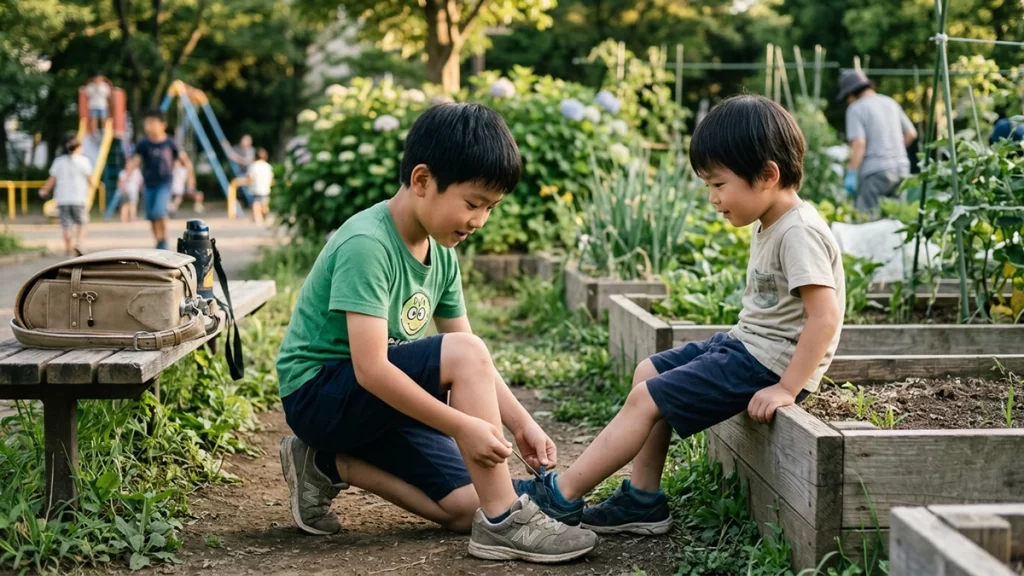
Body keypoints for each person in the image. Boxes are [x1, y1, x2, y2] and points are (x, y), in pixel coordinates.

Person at [275, 103, 598, 563]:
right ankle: (504, 521)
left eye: (491, 208)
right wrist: (461, 426)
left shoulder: (441, 253)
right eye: (472, 204)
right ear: (423, 180)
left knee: (467, 507)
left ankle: (325, 463)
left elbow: (476, 364)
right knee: (467, 368)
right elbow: (372, 369)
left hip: (375, 401)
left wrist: (522, 423)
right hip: (320, 395)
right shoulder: (367, 244)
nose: (479, 221)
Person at [514, 95, 846, 536]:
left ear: (768, 175)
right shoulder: (773, 221)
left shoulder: (799, 232)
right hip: (748, 347)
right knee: (648, 372)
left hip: (769, 365)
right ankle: (642, 499)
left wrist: (787, 387)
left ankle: (560, 495)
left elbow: (825, 317)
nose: (713, 198)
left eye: (718, 184)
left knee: (646, 400)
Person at [838, 70, 918, 216]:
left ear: (850, 94)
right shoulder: (890, 102)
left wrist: (852, 173)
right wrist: (893, 151)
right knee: (897, 219)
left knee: (866, 219)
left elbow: (859, 144)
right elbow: (911, 133)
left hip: (874, 172)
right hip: (901, 169)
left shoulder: (856, 109)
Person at [132, 109, 191, 249]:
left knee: (160, 212)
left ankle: (164, 242)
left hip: (164, 183)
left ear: (163, 124)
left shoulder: (170, 143)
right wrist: (125, 177)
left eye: (152, 123)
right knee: (151, 216)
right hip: (148, 184)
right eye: (146, 123)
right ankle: (158, 241)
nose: (148, 126)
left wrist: (190, 180)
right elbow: (135, 161)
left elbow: (185, 161)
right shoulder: (143, 143)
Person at [40, 134, 95, 256]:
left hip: (62, 199)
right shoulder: (83, 161)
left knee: (66, 225)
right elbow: (90, 180)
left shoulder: (59, 161)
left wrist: (45, 190)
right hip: (79, 198)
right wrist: (93, 186)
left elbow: (52, 180)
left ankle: (68, 249)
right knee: (81, 223)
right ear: (78, 147)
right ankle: (79, 244)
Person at [238, 147, 273, 225]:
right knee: (265, 203)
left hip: (255, 188)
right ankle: (265, 216)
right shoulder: (268, 166)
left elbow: (250, 178)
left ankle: (258, 218)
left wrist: (247, 182)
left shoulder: (253, 166)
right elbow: (271, 178)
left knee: (256, 203)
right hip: (265, 188)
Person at [118, 155, 143, 223]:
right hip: (126, 191)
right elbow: (121, 182)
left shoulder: (136, 171)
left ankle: (132, 217)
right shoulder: (123, 173)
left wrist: (140, 187)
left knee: (133, 204)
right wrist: (123, 189)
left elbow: (140, 181)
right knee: (125, 205)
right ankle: (123, 218)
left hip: (134, 190)